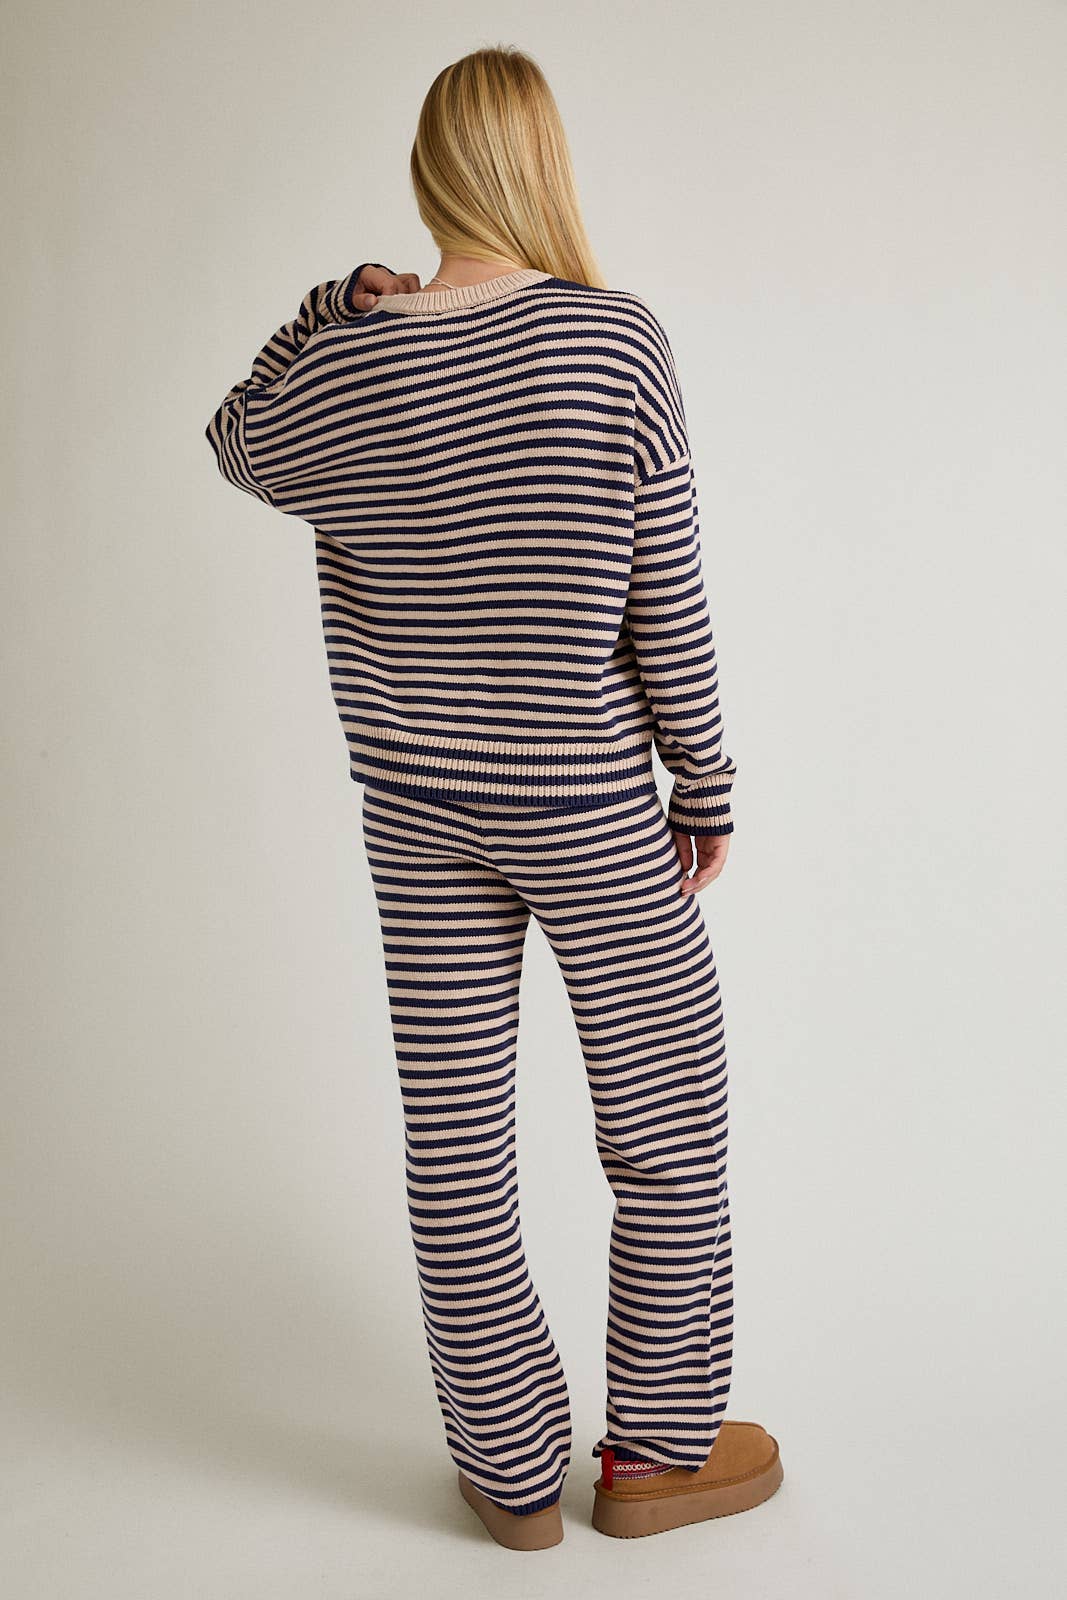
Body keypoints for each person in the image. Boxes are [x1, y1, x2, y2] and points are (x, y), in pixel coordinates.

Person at [205, 44, 782, 1549]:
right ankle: (654, 1456)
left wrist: (337, 302)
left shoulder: (348, 361)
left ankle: (511, 1472)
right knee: (666, 1121)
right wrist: (705, 785)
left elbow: (233, 435)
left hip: (415, 811)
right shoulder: (613, 341)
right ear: (542, 164)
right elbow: (667, 598)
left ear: (429, 173)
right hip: (587, 804)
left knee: (456, 1142)